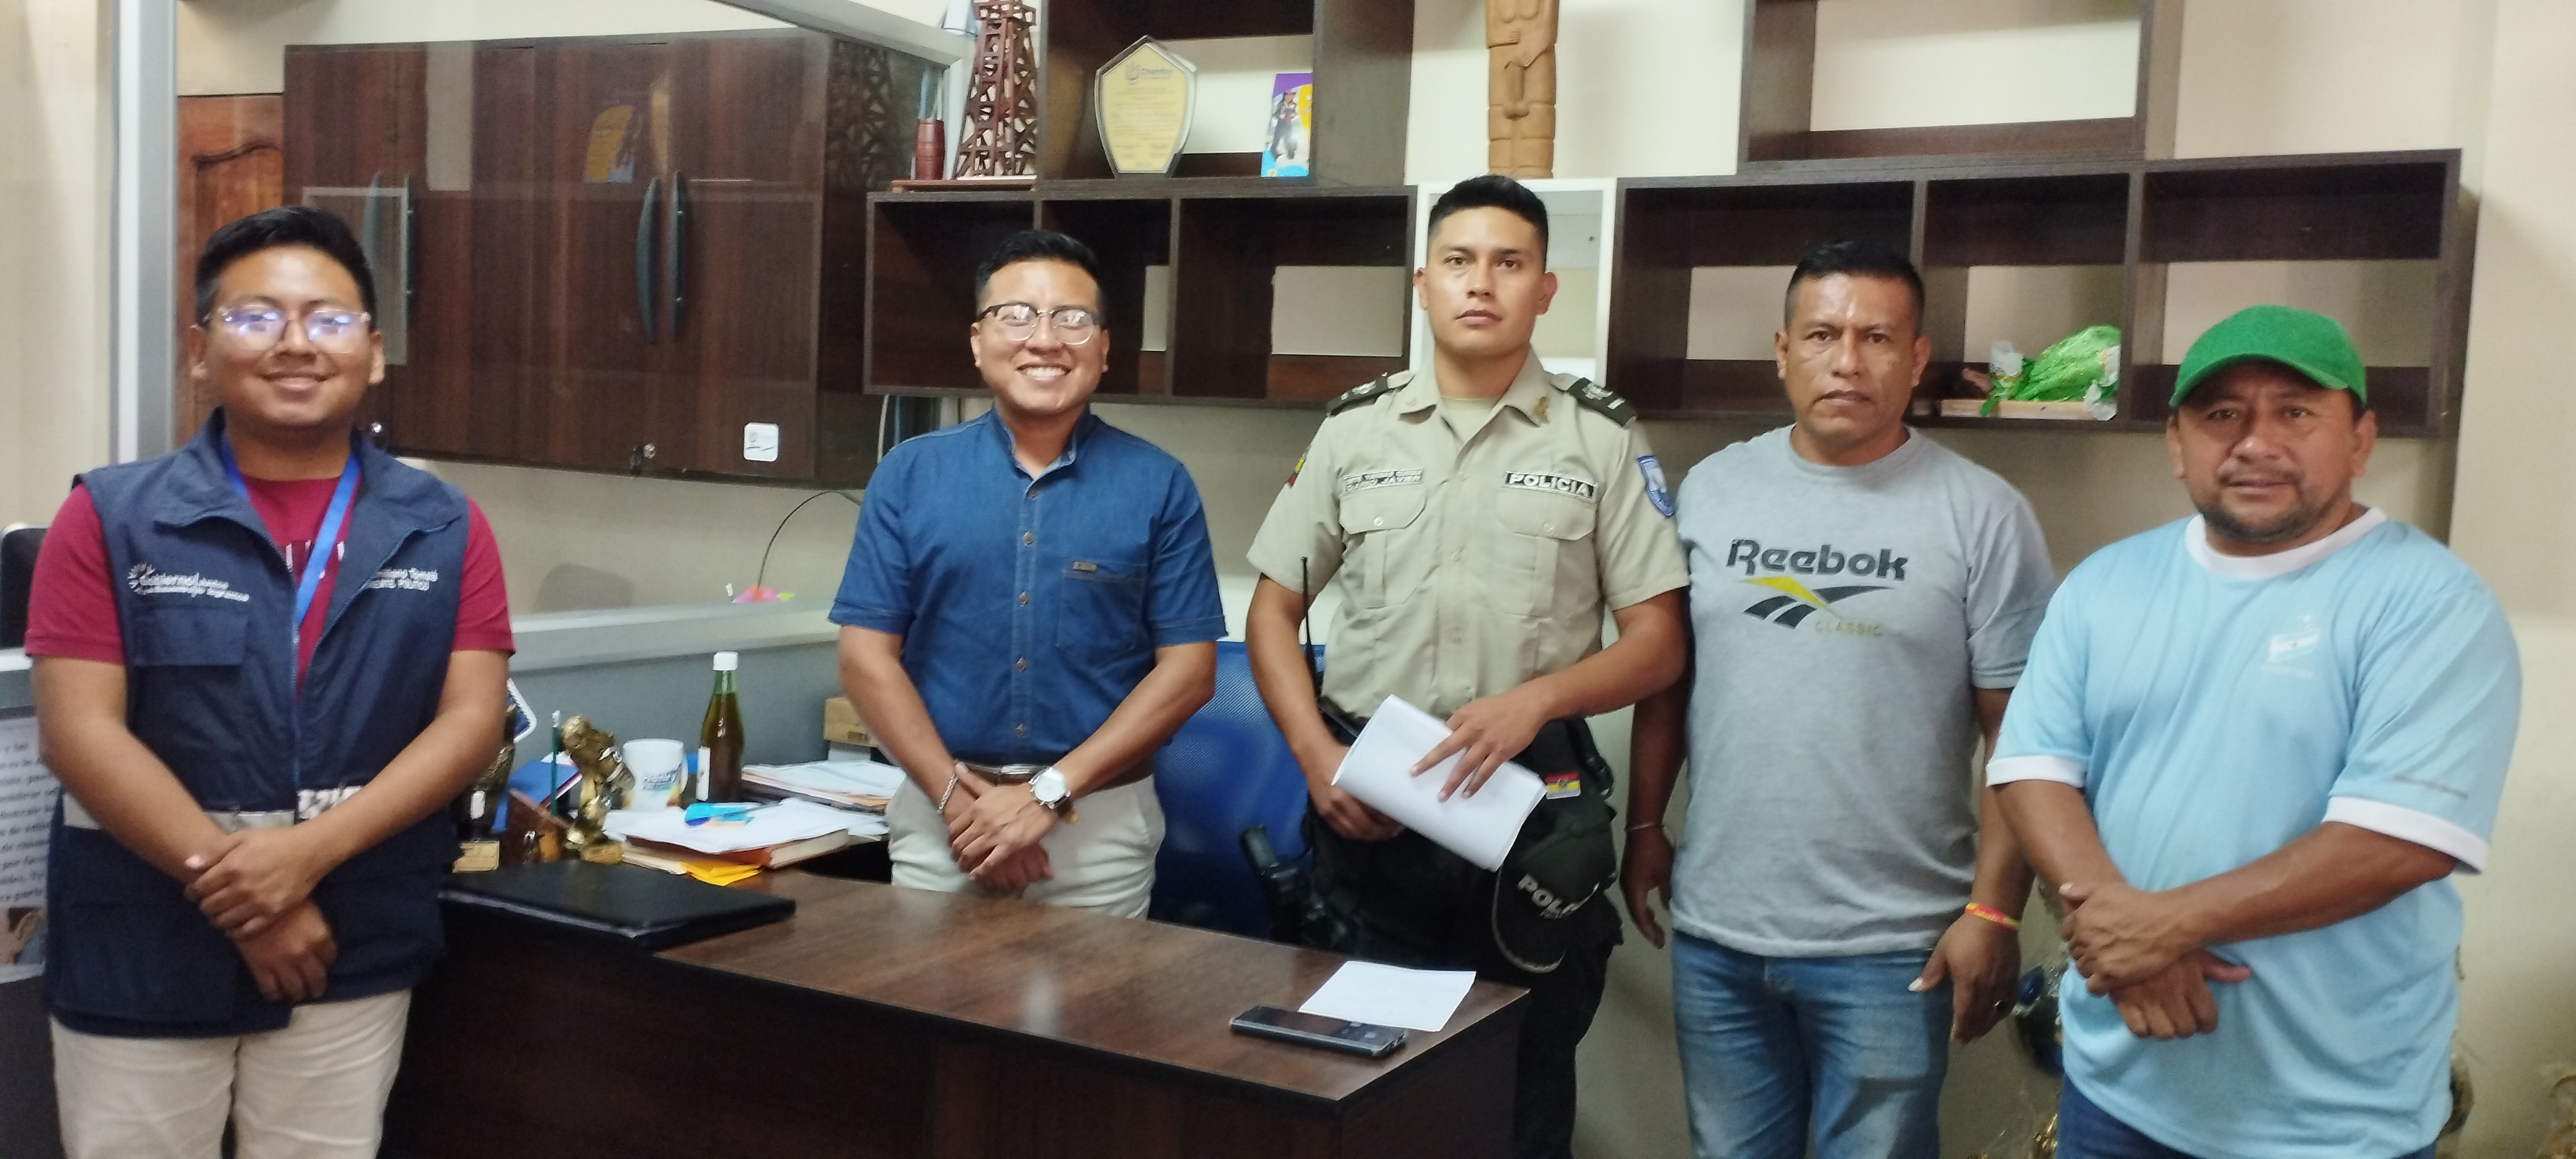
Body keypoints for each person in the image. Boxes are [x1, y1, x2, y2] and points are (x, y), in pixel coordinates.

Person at [24, 205, 514, 1158]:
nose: (295, 343)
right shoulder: (112, 517)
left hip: (349, 940)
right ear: (200, 352)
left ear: (374, 351)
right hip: (145, 948)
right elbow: (79, 734)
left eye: (328, 319)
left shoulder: (444, 526)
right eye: (256, 318)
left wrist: (305, 860)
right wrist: (255, 899)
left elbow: (469, 722)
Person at [1990, 305, 2520, 1159]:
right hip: (2115, 1086)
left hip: (2331, 1118)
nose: (2255, 442)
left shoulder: (2430, 604)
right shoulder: (2106, 583)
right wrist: (2126, 928)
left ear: (2361, 439)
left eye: (2295, 412)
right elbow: (2032, 767)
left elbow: (2400, 842)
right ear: (2177, 443)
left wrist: (2165, 925)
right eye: (2222, 414)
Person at [1243, 174, 1690, 1159]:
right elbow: (1272, 611)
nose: (1480, 283)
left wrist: (1538, 699)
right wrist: (1316, 756)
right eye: (1458, 261)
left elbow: (1660, 641)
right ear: (1423, 284)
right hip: (1370, 813)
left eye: (1508, 263)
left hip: (1529, 816)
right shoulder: (1355, 430)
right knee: (1361, 1092)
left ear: (1545, 288)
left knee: (1520, 1098)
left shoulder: (1600, 438)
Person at [1620, 238, 2055, 1159]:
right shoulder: (1713, 490)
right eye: (1822, 335)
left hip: (1893, 948)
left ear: (1916, 357)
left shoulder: (1983, 514)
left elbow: (2019, 739)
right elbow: (1668, 680)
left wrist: (1994, 911)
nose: (1847, 361)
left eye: (1877, 338)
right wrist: (1646, 825)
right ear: (1783, 352)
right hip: (1721, 933)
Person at [832, 229, 1223, 917]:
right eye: (1016, 315)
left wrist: (1045, 795)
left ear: (1104, 347)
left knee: (1096, 993)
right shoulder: (909, 475)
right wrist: (962, 806)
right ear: (978, 341)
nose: (1045, 340)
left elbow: (1189, 673)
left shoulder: (1159, 484)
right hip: (944, 821)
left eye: (1073, 319)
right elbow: (865, 658)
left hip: (1097, 827)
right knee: (923, 990)